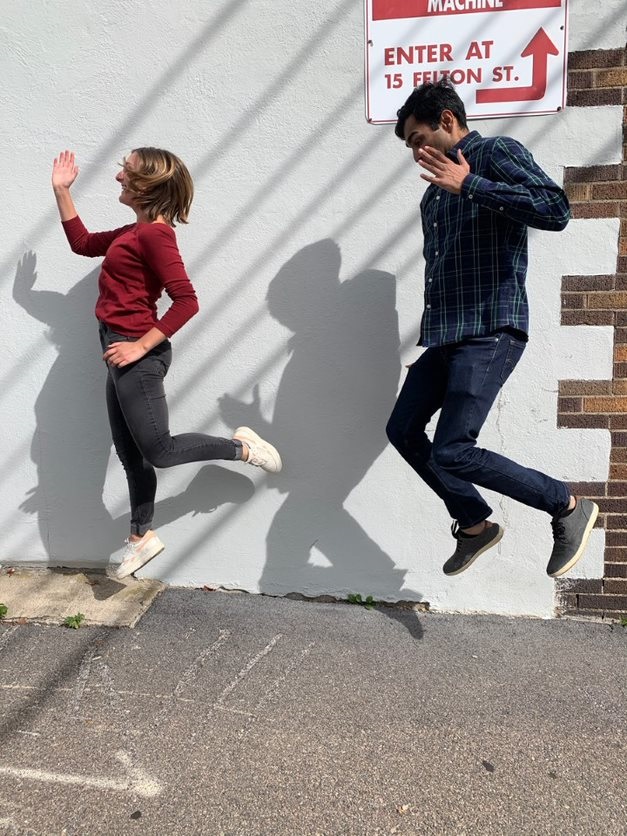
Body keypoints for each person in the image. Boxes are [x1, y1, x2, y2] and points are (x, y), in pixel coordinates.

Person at [386, 80, 598, 578]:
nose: (415, 151)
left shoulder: (495, 153)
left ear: (446, 121)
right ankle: (475, 524)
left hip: (490, 329)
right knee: (402, 429)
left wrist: (471, 185)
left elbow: (556, 210)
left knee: (455, 447)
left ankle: (567, 506)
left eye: (418, 138)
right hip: (447, 335)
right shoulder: (432, 198)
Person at [52, 148, 282, 579]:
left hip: (135, 353)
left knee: (159, 450)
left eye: (127, 170)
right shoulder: (131, 232)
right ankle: (141, 538)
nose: (119, 176)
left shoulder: (156, 236)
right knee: (131, 454)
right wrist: (62, 191)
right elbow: (82, 244)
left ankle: (245, 449)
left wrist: (140, 346)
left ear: (148, 184)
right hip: (117, 351)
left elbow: (187, 300)